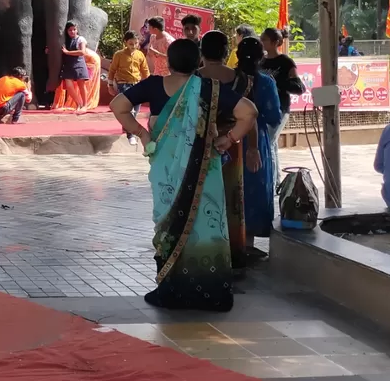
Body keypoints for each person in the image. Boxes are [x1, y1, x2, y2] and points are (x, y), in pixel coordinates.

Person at [110, 37, 258, 312]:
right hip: (205, 170)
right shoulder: (209, 89)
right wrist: (229, 139)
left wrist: (142, 133)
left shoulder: (153, 85)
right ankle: (210, 293)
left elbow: (118, 105)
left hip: (166, 174)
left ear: (168, 61)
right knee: (206, 224)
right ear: (198, 62)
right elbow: (249, 112)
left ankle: (171, 290)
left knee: (168, 224)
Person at [197, 30, 246, 270]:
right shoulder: (242, 79)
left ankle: (204, 247)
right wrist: (252, 146)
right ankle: (234, 250)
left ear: (201, 52)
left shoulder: (193, 79)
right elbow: (252, 115)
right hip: (233, 141)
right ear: (226, 51)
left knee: (202, 194)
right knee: (232, 195)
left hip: (200, 143)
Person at [234, 36, 284, 257]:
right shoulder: (265, 82)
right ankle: (248, 244)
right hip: (255, 142)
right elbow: (274, 116)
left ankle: (232, 241)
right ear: (261, 57)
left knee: (232, 187)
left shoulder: (229, 79)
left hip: (230, 138)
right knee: (254, 186)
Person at [107, 31, 150, 143]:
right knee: (129, 110)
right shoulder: (119, 55)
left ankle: (127, 127)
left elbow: (145, 71)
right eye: (131, 43)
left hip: (136, 83)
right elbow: (112, 70)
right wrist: (110, 84)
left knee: (136, 110)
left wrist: (150, 84)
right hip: (123, 84)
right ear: (125, 43)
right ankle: (130, 135)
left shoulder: (140, 55)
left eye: (136, 43)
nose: (134, 46)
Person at [59, 21, 91, 112]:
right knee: (69, 86)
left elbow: (82, 52)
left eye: (74, 29)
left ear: (77, 30)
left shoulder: (81, 39)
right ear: (66, 31)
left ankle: (85, 105)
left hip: (79, 64)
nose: (72, 32)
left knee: (81, 85)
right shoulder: (65, 40)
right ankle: (79, 103)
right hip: (68, 65)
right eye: (70, 30)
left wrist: (68, 52)